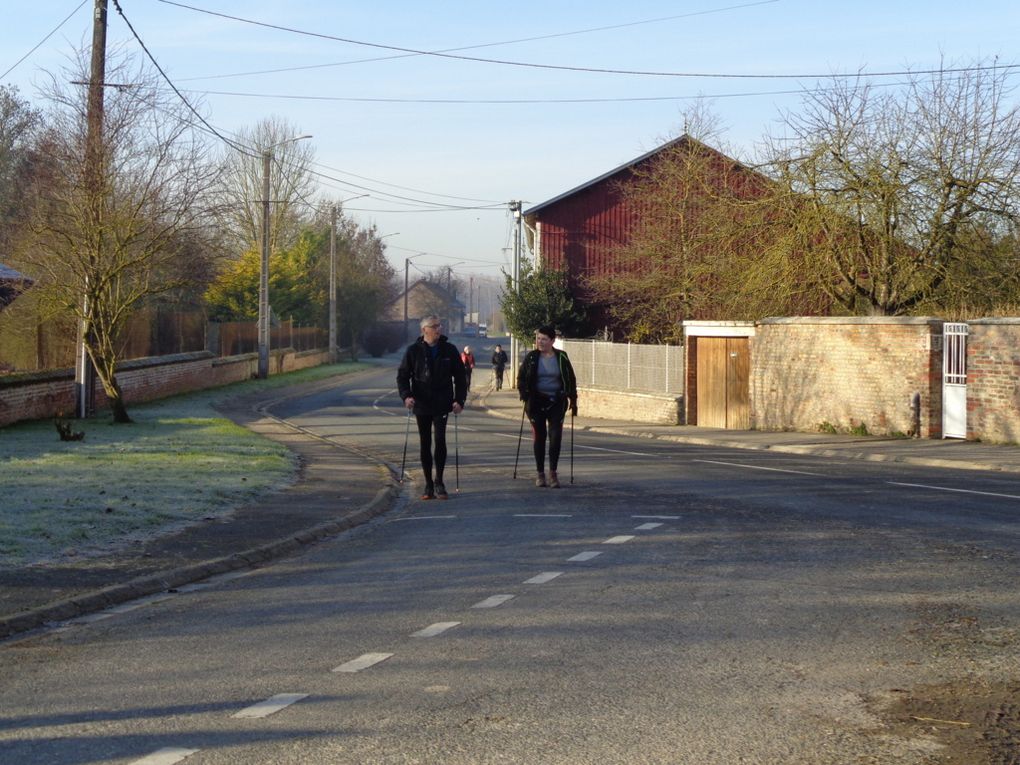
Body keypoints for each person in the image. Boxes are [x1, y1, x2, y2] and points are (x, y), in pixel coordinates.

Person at [397, 316, 467, 500]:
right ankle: (428, 484)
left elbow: (460, 377)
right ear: (424, 330)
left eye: (439, 325)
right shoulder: (413, 351)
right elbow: (403, 376)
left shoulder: (449, 350)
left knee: (440, 440)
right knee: (425, 442)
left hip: (443, 402)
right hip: (421, 402)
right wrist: (406, 396)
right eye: (435, 326)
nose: (439, 328)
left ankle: (439, 481)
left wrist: (459, 400)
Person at [518, 325, 578, 488]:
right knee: (539, 437)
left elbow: (570, 378)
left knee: (555, 437)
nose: (540, 342)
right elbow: (521, 377)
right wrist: (524, 393)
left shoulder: (562, 357)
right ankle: (540, 474)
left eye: (544, 339)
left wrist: (573, 398)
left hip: (556, 402)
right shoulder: (531, 357)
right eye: (538, 338)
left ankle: (553, 473)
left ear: (552, 341)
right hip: (536, 402)